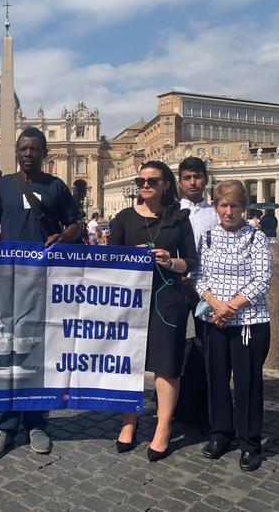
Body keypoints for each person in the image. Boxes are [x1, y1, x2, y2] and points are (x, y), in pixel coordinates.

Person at [0, 127, 83, 460]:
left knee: (38, 353)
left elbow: (75, 224)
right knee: (7, 354)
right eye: (22, 148)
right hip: (9, 281)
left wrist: (64, 237)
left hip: (45, 281)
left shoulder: (56, 187)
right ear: (17, 151)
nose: (27, 153)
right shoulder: (3, 186)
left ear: (44, 152)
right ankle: (4, 425)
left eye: (34, 149)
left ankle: (37, 421)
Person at [109, 160, 197, 462]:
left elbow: (191, 262)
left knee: (166, 363)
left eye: (152, 181)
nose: (145, 185)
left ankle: (163, 425)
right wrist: (127, 258)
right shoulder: (122, 218)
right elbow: (108, 262)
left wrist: (170, 262)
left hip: (167, 299)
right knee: (128, 362)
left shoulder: (179, 218)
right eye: (141, 181)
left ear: (166, 185)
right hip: (130, 300)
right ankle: (128, 421)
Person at [195, 180, 272, 472]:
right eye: (223, 205)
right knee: (216, 379)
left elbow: (262, 279)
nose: (229, 211)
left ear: (244, 208)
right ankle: (220, 434)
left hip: (248, 322)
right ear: (215, 208)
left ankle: (250, 441)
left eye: (235, 206)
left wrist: (232, 306)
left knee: (247, 383)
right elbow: (199, 276)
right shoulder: (207, 237)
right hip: (213, 318)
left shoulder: (256, 238)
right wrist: (216, 304)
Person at [178, 157, 219, 341]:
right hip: (176, 283)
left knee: (208, 338)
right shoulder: (170, 212)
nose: (192, 182)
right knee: (173, 339)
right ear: (180, 182)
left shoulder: (217, 214)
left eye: (197, 177)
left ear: (206, 180)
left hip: (208, 286)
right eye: (187, 178)